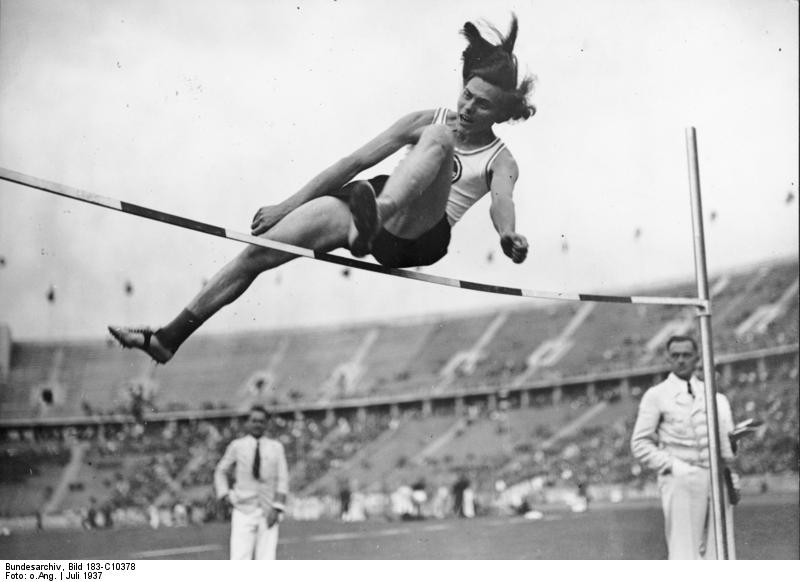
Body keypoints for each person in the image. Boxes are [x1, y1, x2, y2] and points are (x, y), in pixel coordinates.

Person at [108, 14, 535, 364]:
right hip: (367, 203)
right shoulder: (429, 115)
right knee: (257, 254)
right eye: (467, 94)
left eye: (482, 104)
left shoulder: (500, 159)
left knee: (440, 141)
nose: (466, 108)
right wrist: (287, 205)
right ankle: (168, 338)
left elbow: (502, 201)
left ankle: (374, 221)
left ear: (502, 112)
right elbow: (354, 163)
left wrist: (507, 235)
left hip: (421, 230)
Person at [631, 335, 736, 560]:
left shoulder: (713, 395)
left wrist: (730, 466)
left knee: (719, 550)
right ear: (668, 358)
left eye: (686, 355)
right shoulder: (656, 395)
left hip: (716, 478)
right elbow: (639, 443)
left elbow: (725, 443)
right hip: (681, 477)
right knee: (684, 550)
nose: (681, 360)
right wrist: (672, 466)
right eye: (675, 355)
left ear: (697, 357)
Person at [214, 405, 289, 560]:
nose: (257, 424)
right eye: (254, 420)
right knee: (240, 557)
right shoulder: (237, 445)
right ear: (247, 423)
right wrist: (224, 494)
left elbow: (283, 479)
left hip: (268, 509)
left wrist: (277, 507)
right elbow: (220, 470)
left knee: (266, 559)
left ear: (266, 424)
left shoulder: (276, 447)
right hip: (243, 508)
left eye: (261, 421)